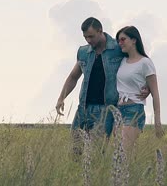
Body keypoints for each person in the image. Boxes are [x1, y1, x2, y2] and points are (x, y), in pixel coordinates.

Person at [55, 17, 149, 154]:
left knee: (95, 153)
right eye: (85, 37)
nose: (88, 40)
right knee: (75, 151)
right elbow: (73, 77)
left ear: (100, 31)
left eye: (91, 36)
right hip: (83, 108)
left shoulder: (118, 49)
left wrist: (146, 86)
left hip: (105, 110)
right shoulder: (83, 52)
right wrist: (61, 98)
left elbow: (139, 63)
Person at [115, 26, 165, 152]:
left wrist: (157, 122)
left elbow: (155, 93)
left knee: (124, 153)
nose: (120, 43)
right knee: (121, 154)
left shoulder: (145, 63)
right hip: (117, 110)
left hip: (134, 110)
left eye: (123, 39)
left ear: (134, 40)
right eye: (118, 41)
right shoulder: (122, 61)